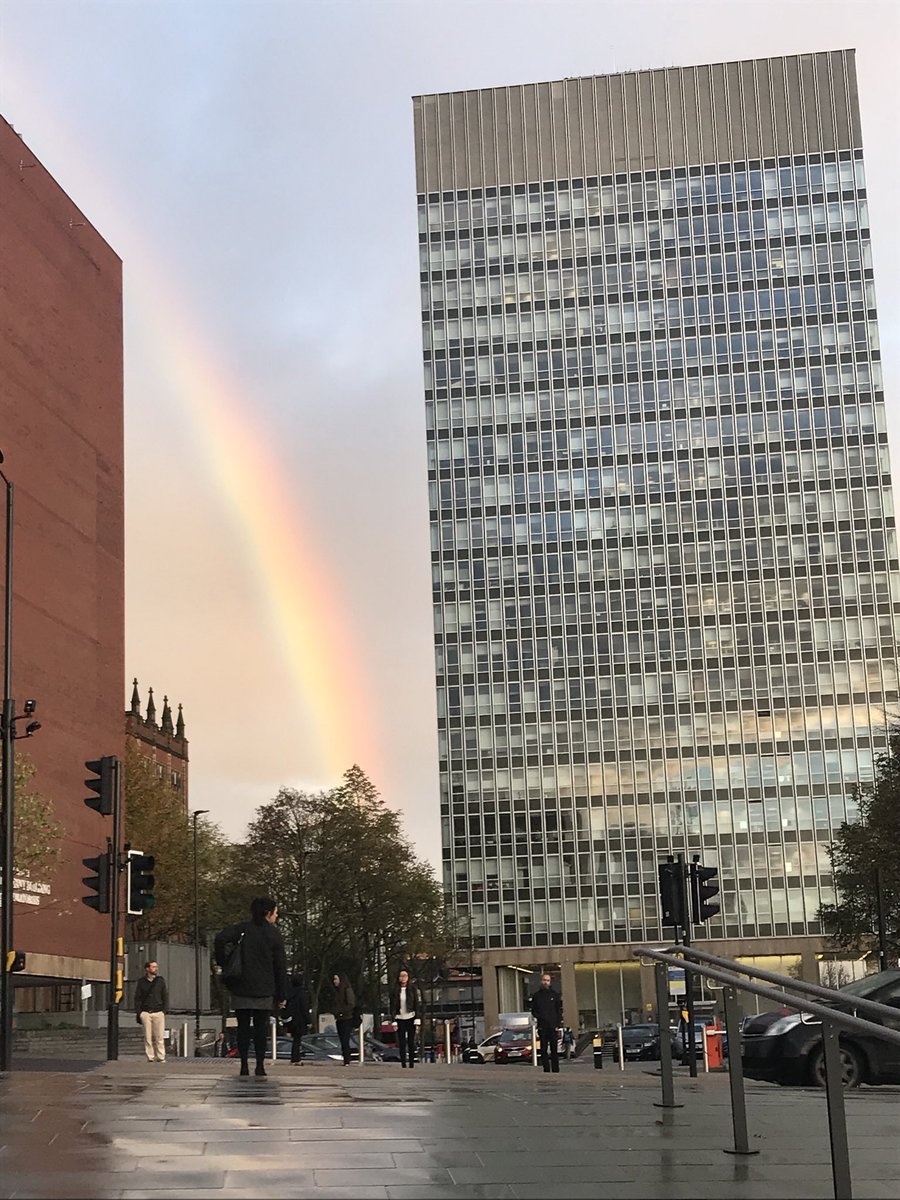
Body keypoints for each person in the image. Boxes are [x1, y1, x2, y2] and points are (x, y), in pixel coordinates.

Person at [214, 896, 288, 1078]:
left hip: (241, 986)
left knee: (243, 1028)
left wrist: (224, 962)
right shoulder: (274, 934)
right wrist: (281, 993)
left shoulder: (242, 929)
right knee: (261, 1029)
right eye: (275, 912)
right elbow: (280, 966)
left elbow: (220, 939)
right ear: (268, 913)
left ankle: (244, 1064)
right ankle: (260, 1065)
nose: (276, 916)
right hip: (264, 988)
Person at [134, 960, 167, 1063]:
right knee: (147, 1036)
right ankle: (150, 1057)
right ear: (147, 969)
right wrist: (139, 1012)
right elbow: (137, 998)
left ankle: (161, 1056)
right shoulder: (141, 982)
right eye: (153, 967)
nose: (155, 969)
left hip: (158, 1011)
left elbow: (165, 995)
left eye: (156, 967)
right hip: (146, 1012)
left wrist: (164, 1010)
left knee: (159, 1036)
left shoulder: (160, 981)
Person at [529, 972, 563, 1074]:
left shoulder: (555, 995)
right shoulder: (536, 996)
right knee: (543, 1049)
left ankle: (556, 1069)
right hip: (542, 1027)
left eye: (547, 980)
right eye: (544, 980)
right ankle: (546, 1069)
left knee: (554, 1049)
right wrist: (540, 1017)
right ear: (541, 981)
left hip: (553, 1026)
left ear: (550, 982)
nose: (545, 982)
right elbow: (533, 1011)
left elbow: (558, 1011)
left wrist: (558, 1025)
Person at [388, 967, 421, 1068]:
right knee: (401, 1042)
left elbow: (416, 1004)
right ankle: (403, 1063)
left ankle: (411, 1063)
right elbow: (392, 1006)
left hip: (411, 1017)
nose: (403, 978)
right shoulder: (395, 990)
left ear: (408, 977)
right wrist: (393, 1020)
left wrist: (417, 1018)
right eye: (401, 976)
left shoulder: (413, 989)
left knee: (411, 1041)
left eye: (405, 976)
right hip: (399, 1018)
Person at [283, 970, 312, 1066]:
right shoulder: (302, 993)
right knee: (297, 1040)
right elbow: (304, 1008)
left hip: (292, 1019)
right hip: (300, 1020)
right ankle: (296, 1058)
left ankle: (294, 1058)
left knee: (295, 1039)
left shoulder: (290, 993)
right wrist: (308, 1021)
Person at [330, 972, 357, 1065]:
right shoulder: (337, 992)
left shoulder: (347, 990)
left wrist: (341, 1011)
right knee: (342, 1040)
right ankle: (346, 1059)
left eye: (336, 979)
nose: (334, 981)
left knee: (345, 1039)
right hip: (339, 1018)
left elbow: (351, 1004)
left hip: (347, 1018)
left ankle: (347, 1060)